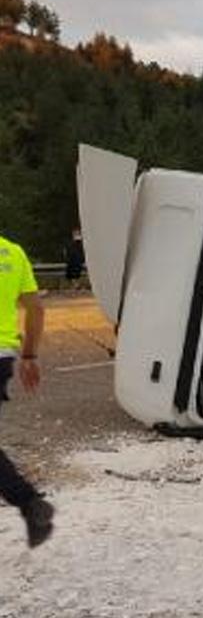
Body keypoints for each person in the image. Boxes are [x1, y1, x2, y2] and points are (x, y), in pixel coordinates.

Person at [0, 234, 54, 548]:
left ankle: (30, 504)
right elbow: (36, 308)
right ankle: (31, 506)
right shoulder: (13, 251)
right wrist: (30, 355)